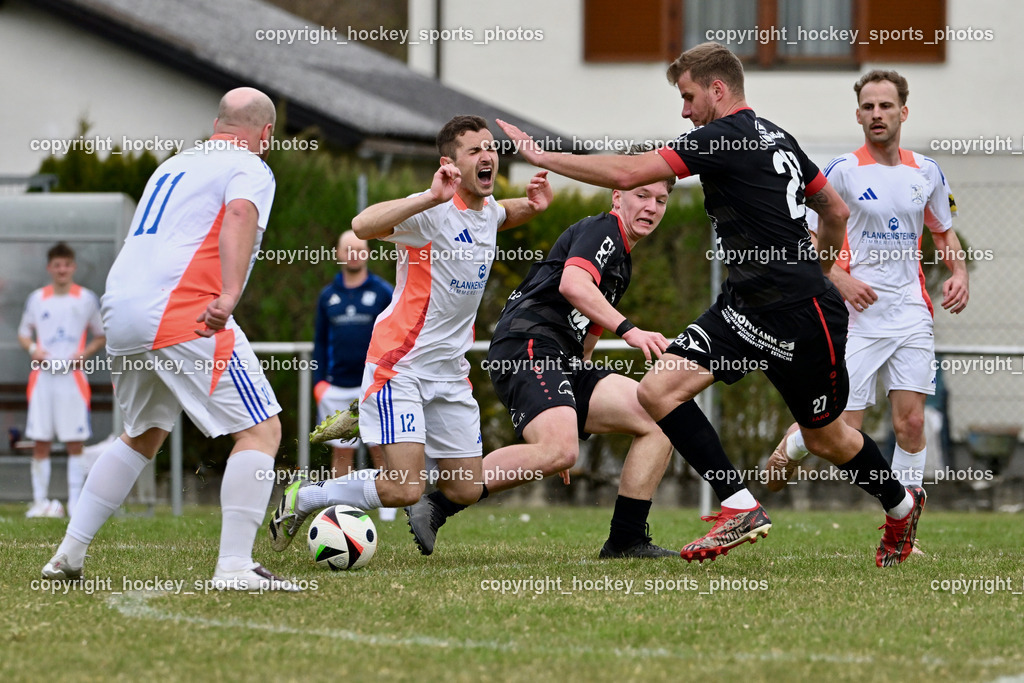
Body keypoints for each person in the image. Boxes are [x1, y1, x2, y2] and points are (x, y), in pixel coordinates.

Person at [496, 42, 925, 567]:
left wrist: (543, 157)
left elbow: (629, 173)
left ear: (717, 90)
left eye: (688, 96)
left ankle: (901, 507)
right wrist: (821, 263)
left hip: (800, 315)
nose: (684, 111)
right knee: (656, 391)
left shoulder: (722, 136)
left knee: (827, 438)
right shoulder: (779, 136)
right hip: (744, 308)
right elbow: (833, 210)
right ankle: (740, 506)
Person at [42, 87, 300, 591]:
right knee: (261, 431)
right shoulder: (250, 165)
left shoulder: (173, 165)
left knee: (142, 433)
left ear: (217, 124)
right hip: (182, 311)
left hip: (120, 308)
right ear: (266, 134)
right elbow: (239, 215)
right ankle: (234, 567)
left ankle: (68, 554)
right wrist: (229, 294)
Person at [267, 115, 552, 551]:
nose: (488, 155)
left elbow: (499, 215)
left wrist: (532, 206)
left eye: (491, 147)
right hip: (400, 367)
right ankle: (305, 496)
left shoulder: (487, 210)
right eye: (474, 150)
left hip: (449, 373)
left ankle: (368, 418)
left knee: (465, 487)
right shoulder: (431, 212)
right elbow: (362, 225)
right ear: (449, 164)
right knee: (405, 488)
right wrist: (429, 196)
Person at [404, 179, 677, 557]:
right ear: (617, 197)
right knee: (558, 449)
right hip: (529, 344)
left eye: (660, 200)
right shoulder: (605, 230)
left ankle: (626, 540)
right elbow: (573, 285)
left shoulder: (622, 261)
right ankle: (437, 503)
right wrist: (630, 330)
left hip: (563, 359)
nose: (651, 207)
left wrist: (565, 417)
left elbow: (588, 333)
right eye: (642, 196)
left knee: (661, 415)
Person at [765, 71, 968, 501]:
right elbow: (804, 235)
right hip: (854, 318)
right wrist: (838, 277)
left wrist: (959, 273)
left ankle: (903, 523)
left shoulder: (927, 171)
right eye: (869, 107)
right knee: (842, 428)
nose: (877, 114)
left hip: (910, 312)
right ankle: (795, 445)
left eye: (886, 106)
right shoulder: (842, 171)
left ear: (903, 113)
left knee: (912, 423)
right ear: (858, 115)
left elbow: (943, 232)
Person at [312, 230, 397, 520]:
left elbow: (394, 336)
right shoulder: (328, 295)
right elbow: (320, 342)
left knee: (379, 446)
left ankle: (389, 507)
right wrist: (319, 383)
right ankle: (340, 507)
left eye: (359, 249)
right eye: (348, 249)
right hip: (336, 386)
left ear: (368, 253)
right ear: (338, 253)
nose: (354, 254)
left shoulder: (383, 292)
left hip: (372, 384)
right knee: (341, 451)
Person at [18, 242, 106, 518]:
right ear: (49, 268)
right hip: (43, 377)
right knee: (40, 440)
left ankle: (75, 504)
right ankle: (40, 502)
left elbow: (101, 335)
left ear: (73, 267)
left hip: (72, 378)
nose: (62, 270)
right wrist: (34, 349)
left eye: (67, 265)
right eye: (57, 265)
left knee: (74, 441)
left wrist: (85, 353)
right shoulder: (37, 299)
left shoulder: (86, 298)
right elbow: (24, 333)